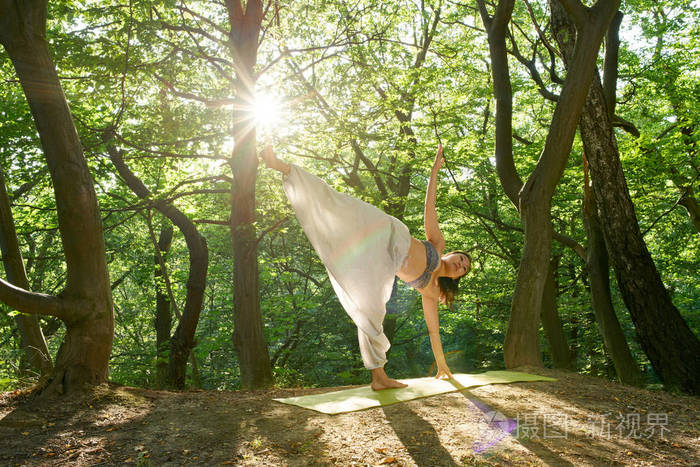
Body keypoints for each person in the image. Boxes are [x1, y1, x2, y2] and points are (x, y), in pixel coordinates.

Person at [261, 144, 471, 390]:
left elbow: (433, 332)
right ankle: (282, 167)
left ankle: (379, 377)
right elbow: (430, 206)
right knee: (338, 204)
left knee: (369, 311)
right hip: (386, 229)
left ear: (458, 277)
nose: (462, 264)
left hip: (381, 261)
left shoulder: (432, 291)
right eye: (462, 258)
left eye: (464, 269)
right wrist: (435, 170)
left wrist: (442, 364)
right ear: (453, 253)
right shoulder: (437, 245)